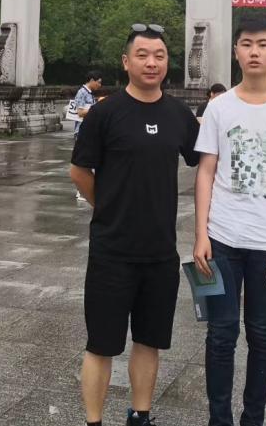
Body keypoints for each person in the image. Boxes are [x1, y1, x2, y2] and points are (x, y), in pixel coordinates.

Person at [70, 23, 200, 426]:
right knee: (101, 344)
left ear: (167, 63)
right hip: (112, 251)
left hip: (160, 252)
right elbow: (79, 171)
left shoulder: (178, 115)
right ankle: (93, 420)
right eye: (142, 55)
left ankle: (140, 416)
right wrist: (107, 206)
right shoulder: (105, 113)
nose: (151, 62)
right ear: (126, 62)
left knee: (149, 341)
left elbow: (204, 160)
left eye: (159, 56)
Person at [193, 14, 266, 426]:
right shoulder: (218, 108)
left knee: (261, 332)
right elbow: (206, 171)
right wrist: (201, 234)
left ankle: (253, 419)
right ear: (236, 52)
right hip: (222, 239)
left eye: (262, 44)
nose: (254, 52)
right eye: (246, 44)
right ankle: (219, 419)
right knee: (220, 333)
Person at [73, 71, 103, 201]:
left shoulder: (89, 93)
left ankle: (86, 190)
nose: (99, 85)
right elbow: (80, 112)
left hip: (89, 130)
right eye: (98, 82)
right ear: (91, 80)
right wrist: (98, 107)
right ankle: (81, 191)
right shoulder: (82, 93)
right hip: (82, 131)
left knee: (90, 161)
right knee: (83, 162)